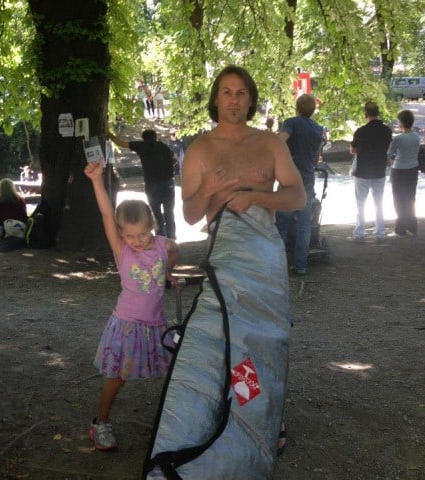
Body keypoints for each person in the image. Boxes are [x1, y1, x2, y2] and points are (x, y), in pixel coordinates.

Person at [145, 65, 304, 477]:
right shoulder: (199, 149)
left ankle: (266, 414)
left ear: (250, 99)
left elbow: (298, 196)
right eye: (226, 92)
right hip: (226, 258)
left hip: (266, 258)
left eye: (240, 93)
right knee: (231, 336)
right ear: (216, 99)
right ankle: (237, 414)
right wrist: (213, 190)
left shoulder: (269, 143)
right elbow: (191, 214)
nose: (233, 100)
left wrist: (254, 195)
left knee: (270, 338)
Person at [83, 158, 179, 451]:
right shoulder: (122, 250)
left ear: (153, 227)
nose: (136, 241)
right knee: (119, 377)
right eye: (129, 235)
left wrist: (168, 273)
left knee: (175, 371)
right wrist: (97, 181)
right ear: (121, 234)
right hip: (127, 325)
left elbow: (175, 251)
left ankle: (179, 421)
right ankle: (100, 423)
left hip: (155, 325)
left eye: (142, 234)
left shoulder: (164, 245)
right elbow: (104, 212)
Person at [275, 93, 325, 276]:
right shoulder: (318, 129)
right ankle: (301, 264)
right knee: (304, 224)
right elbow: (315, 159)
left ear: (297, 107)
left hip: (288, 178)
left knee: (282, 222)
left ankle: (279, 265)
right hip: (307, 179)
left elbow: (280, 140)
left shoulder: (291, 123)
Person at [108, 128, 177, 239]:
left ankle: (160, 237)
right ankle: (172, 237)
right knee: (169, 211)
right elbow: (174, 158)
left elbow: (119, 142)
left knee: (156, 212)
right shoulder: (162, 146)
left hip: (152, 184)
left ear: (143, 138)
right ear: (155, 137)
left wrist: (108, 133)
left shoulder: (141, 146)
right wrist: (166, 166)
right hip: (167, 182)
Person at [350, 101, 393, 243]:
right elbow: (388, 148)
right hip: (379, 170)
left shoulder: (360, 131)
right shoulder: (387, 131)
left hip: (362, 171)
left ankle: (359, 233)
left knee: (360, 204)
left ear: (365, 114)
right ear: (378, 113)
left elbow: (353, 150)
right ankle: (380, 233)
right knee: (379, 203)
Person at [387, 109, 420, 236]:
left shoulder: (398, 139)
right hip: (413, 169)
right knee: (410, 198)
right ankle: (412, 226)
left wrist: (392, 159)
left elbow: (389, 154)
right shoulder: (416, 136)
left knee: (398, 199)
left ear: (401, 122)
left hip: (399, 170)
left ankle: (400, 227)